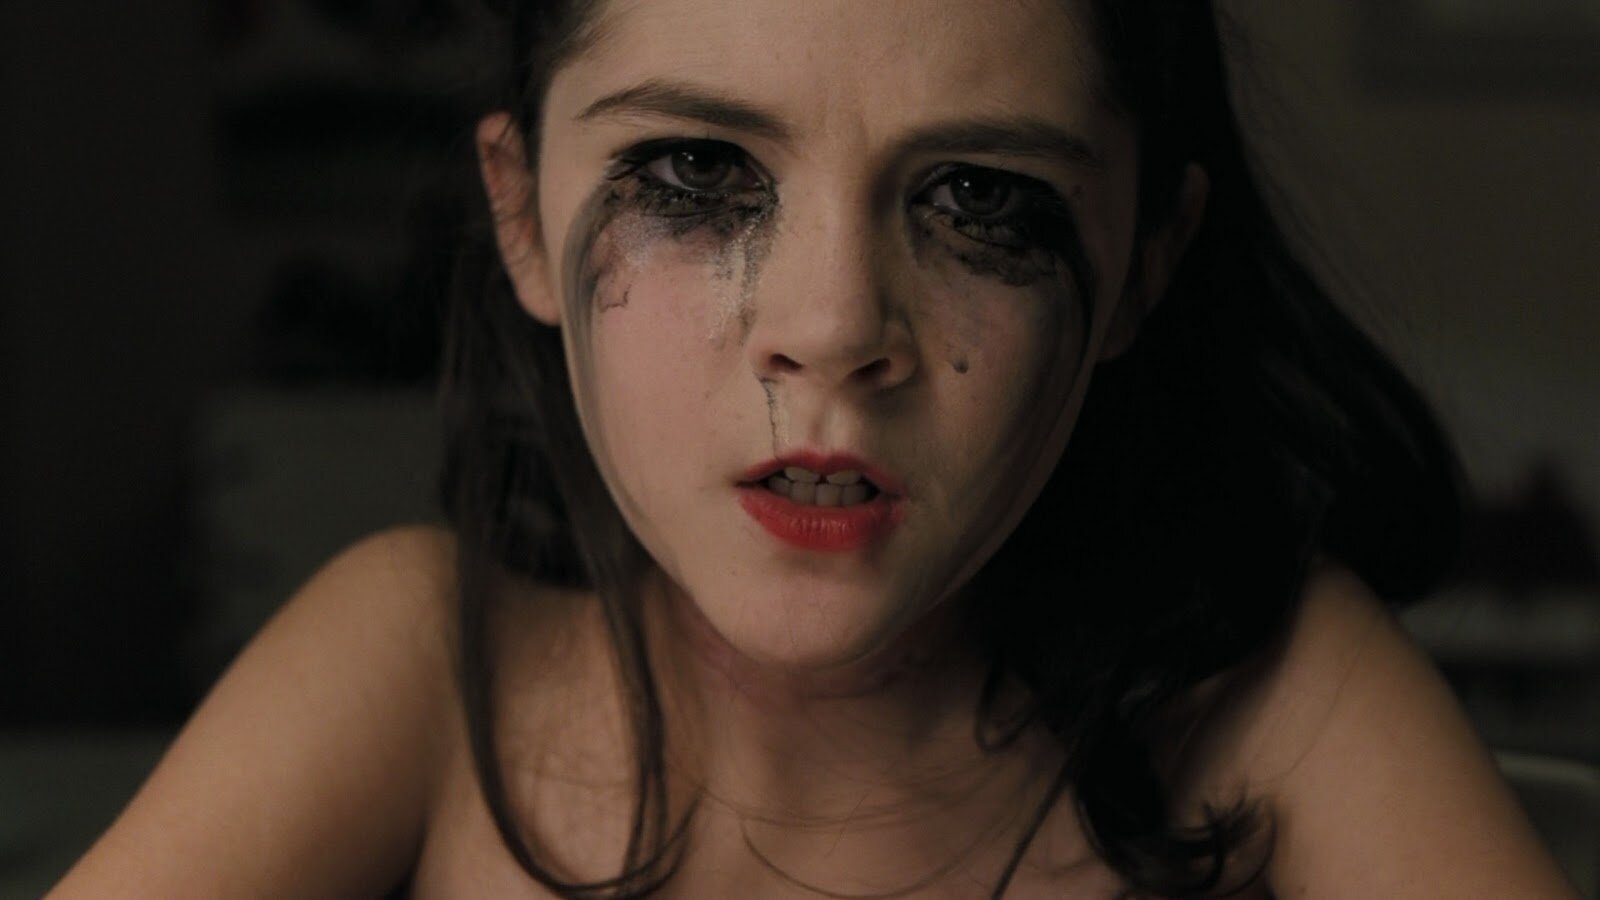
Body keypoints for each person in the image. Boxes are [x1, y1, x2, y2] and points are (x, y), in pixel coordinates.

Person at [52, 1, 1578, 897]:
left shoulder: (1280, 700)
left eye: (980, 196)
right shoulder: (421, 672)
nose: (835, 328)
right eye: (694, 170)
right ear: (520, 215)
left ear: (1143, 265)